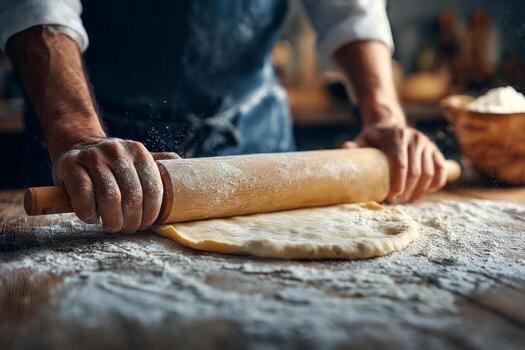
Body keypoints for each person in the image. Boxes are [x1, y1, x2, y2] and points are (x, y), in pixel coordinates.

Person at [0, 1, 447, 233]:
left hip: (253, 136)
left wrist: (384, 115)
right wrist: (77, 133)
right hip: (98, 155)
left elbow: (349, 8)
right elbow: (37, 4)